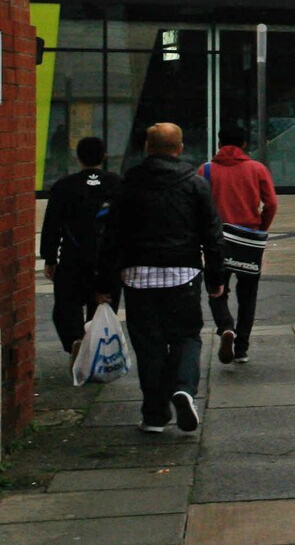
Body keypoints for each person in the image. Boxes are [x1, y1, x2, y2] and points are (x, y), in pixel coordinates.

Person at [96, 123, 225, 434]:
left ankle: (155, 415)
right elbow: (212, 235)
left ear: (147, 147)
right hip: (183, 273)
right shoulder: (196, 185)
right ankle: (183, 388)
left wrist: (104, 285)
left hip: (137, 277)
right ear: (179, 148)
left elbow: (111, 238)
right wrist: (215, 277)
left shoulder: (127, 185)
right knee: (187, 336)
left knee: (149, 344)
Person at [202, 126, 277, 364]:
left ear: (219, 144)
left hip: (218, 240)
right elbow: (271, 203)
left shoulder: (206, 170)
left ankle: (226, 326)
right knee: (248, 295)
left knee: (216, 289)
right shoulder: (257, 169)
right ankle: (242, 348)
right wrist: (260, 228)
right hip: (248, 239)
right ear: (244, 144)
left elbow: (198, 205)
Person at [40, 136, 119, 356]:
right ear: (104, 156)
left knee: (67, 307)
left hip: (73, 259)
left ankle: (75, 341)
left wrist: (49, 258)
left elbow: (52, 226)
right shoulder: (116, 184)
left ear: (78, 157)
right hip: (108, 260)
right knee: (103, 309)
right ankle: (95, 348)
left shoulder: (64, 186)